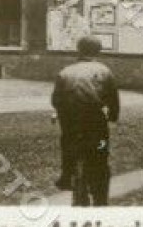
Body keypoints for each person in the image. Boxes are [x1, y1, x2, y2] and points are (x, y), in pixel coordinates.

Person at [51, 36, 120, 206]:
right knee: (101, 152)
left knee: (67, 145)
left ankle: (66, 175)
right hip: (95, 121)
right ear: (98, 51)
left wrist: (61, 112)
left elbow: (56, 99)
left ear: (78, 50)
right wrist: (112, 116)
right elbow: (113, 98)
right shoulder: (104, 71)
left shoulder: (65, 72)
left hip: (71, 121)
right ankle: (101, 194)